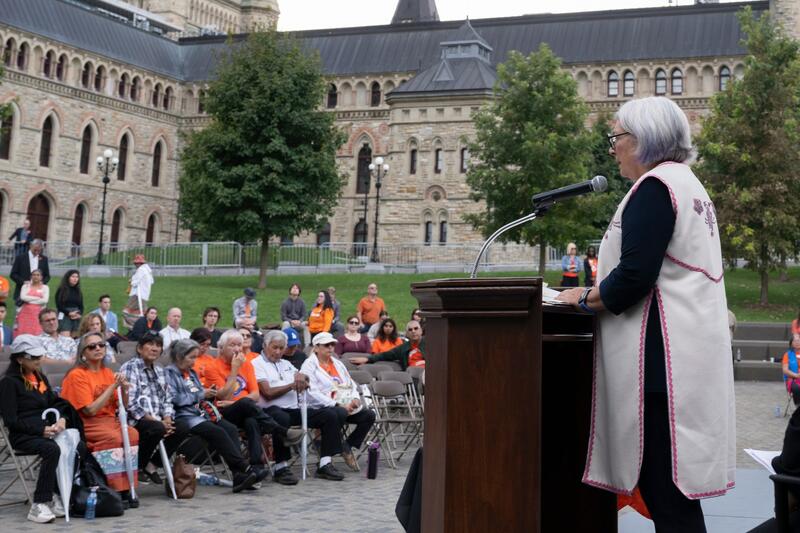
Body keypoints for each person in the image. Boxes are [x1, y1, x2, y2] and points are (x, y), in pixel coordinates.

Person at [556, 96, 734, 531]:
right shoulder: (686, 183)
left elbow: (634, 278)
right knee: (673, 497)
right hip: (684, 360)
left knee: (668, 497)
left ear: (643, 140)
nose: (612, 146)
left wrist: (580, 298)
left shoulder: (656, 189)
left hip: (661, 368)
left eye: (617, 136)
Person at [0, 335, 85, 523]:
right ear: (20, 359)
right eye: (34, 357)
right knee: (51, 449)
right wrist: (40, 431)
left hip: (47, 429)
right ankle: (39, 503)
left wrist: (62, 419)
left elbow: (56, 402)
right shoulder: (9, 383)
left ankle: (55, 494)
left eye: (39, 356)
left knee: (77, 446)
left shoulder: (40, 377)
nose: (39, 360)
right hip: (23, 435)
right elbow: (11, 421)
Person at [198, 329, 304, 480]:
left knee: (252, 420)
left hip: (246, 410)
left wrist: (238, 402)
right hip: (223, 413)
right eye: (232, 345)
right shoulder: (212, 367)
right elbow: (224, 396)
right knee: (247, 404)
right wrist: (234, 370)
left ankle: (256, 467)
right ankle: (281, 431)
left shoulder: (247, 365)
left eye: (239, 345)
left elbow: (255, 396)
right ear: (221, 348)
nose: (237, 349)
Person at [163, 339, 259, 493]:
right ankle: (244, 467)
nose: (194, 362)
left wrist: (208, 393)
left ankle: (238, 476)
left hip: (199, 413)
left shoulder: (191, 373)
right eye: (191, 358)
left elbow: (197, 393)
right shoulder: (169, 373)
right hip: (184, 416)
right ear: (180, 357)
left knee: (230, 428)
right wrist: (202, 393)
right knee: (217, 432)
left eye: (196, 357)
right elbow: (175, 399)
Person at [253, 330, 348, 483]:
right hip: (270, 410)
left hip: (295, 408)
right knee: (280, 417)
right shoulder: (257, 364)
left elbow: (302, 376)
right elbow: (268, 392)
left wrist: (302, 377)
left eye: (281, 348)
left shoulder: (286, 364)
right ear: (265, 346)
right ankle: (281, 467)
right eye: (274, 348)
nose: (278, 352)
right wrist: (292, 385)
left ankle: (325, 463)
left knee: (330, 414)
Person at [60, 332, 140, 506]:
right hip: (87, 423)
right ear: (83, 353)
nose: (97, 348)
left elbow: (122, 406)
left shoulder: (108, 372)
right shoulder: (77, 375)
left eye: (101, 345)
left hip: (110, 421)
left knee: (132, 433)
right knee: (114, 438)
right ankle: (111, 489)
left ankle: (127, 487)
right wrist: (113, 387)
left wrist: (124, 389)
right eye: (92, 346)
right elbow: (89, 410)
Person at [301, 332, 376, 477]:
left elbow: (350, 383)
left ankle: (346, 446)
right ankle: (325, 461)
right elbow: (312, 393)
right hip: (319, 408)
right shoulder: (308, 366)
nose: (330, 348)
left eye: (332, 345)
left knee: (368, 415)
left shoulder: (338, 363)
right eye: (326, 345)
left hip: (344, 405)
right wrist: (336, 404)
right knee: (337, 413)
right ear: (316, 347)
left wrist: (354, 399)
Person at [120, 334, 175, 484]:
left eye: (158, 345)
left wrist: (168, 418)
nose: (155, 348)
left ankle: (151, 465)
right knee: (157, 428)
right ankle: (137, 467)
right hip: (137, 419)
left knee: (182, 427)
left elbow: (168, 398)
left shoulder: (160, 370)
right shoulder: (131, 367)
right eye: (150, 344)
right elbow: (130, 403)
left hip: (158, 419)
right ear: (139, 348)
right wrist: (158, 422)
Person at [351, 320, 425, 370]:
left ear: (421, 330)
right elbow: (385, 355)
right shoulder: (403, 348)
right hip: (412, 374)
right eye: (410, 330)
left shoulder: (430, 344)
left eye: (416, 328)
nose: (413, 331)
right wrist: (368, 359)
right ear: (407, 334)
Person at [10, 239, 50, 306]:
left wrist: (42, 282)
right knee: (20, 314)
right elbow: (13, 274)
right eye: (35, 249)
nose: (37, 252)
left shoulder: (44, 259)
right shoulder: (20, 258)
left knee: (38, 315)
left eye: (39, 250)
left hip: (38, 294)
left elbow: (47, 276)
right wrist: (23, 282)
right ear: (31, 246)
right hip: (22, 291)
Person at [14, 269, 49, 337]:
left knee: (37, 332)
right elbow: (23, 297)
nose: (36, 276)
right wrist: (38, 298)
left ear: (41, 277)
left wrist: (29, 299)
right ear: (31, 276)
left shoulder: (45, 287)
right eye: (34, 275)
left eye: (38, 275)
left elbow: (45, 300)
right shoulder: (25, 286)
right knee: (23, 332)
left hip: (38, 314)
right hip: (24, 314)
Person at [122, 254, 154, 329]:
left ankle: (133, 327)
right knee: (143, 312)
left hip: (137, 295)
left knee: (127, 312)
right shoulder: (148, 271)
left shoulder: (141, 270)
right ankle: (145, 327)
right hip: (144, 295)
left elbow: (134, 282)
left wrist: (131, 280)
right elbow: (152, 282)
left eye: (137, 263)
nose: (136, 265)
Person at [54, 269, 83, 336]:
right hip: (65, 315)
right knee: (65, 338)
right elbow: (59, 305)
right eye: (73, 276)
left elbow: (81, 305)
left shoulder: (78, 291)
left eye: (77, 277)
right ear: (68, 278)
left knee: (75, 338)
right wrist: (69, 313)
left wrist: (79, 314)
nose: (75, 279)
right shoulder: (61, 290)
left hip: (76, 316)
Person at [783, 336, 800, 407]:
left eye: (799, 340)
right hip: (792, 379)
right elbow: (785, 370)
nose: (797, 342)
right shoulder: (787, 355)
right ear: (791, 343)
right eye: (795, 341)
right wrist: (796, 375)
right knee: (796, 388)